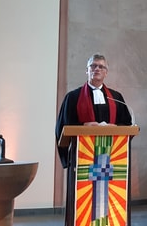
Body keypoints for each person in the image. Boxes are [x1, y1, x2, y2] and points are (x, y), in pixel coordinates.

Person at [55, 53, 132, 226]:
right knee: (85, 199)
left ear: (106, 72)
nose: (97, 69)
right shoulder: (73, 97)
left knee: (109, 197)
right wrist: (84, 126)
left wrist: (115, 128)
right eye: (93, 66)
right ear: (87, 71)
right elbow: (62, 128)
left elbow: (127, 124)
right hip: (83, 159)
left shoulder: (116, 97)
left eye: (101, 67)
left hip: (112, 159)